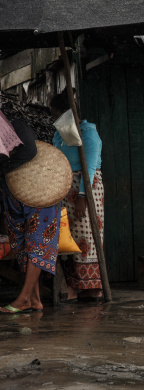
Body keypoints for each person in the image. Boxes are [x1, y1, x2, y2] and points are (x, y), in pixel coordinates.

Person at [0, 109, 61, 314]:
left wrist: (4, 168)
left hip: (40, 190)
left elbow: (30, 151)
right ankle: (34, 299)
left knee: (37, 241)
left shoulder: (15, 123)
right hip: (15, 194)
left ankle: (24, 298)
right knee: (21, 242)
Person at [49, 92, 104, 303]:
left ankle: (93, 288)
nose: (54, 119)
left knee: (87, 237)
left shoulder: (88, 133)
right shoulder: (60, 133)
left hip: (86, 188)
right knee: (67, 238)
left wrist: (82, 196)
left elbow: (89, 167)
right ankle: (74, 286)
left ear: (67, 113)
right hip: (65, 189)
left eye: (56, 114)